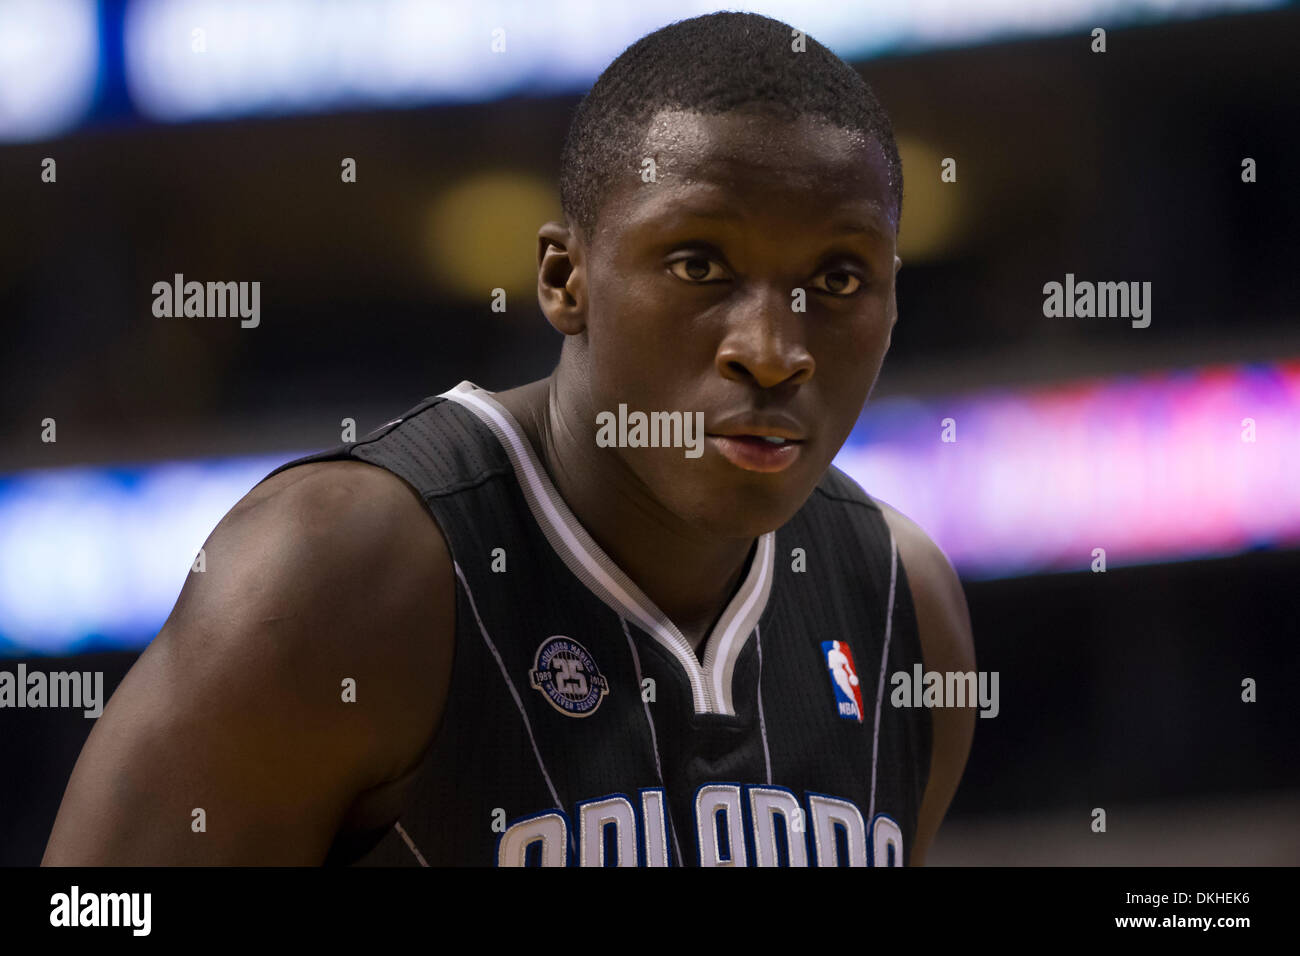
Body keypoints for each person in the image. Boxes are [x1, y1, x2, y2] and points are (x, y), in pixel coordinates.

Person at [43, 11, 974, 867]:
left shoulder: (906, 610)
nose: (773, 352)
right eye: (699, 264)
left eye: (841, 280)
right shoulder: (339, 575)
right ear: (565, 279)